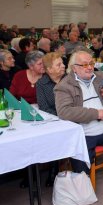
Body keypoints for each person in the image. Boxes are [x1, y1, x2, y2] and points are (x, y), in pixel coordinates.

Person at [54, 50, 103, 198]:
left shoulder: (99, 77)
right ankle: (83, 189)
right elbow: (64, 112)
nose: (90, 67)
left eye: (91, 63)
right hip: (83, 133)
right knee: (81, 166)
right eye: (84, 64)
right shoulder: (64, 86)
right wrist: (95, 113)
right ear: (74, 68)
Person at [36, 52, 66, 186]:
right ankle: (38, 172)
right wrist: (60, 116)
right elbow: (43, 107)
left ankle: (55, 169)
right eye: (59, 64)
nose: (63, 66)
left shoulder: (70, 79)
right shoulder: (41, 84)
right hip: (55, 120)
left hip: (73, 118)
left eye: (63, 63)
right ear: (49, 70)